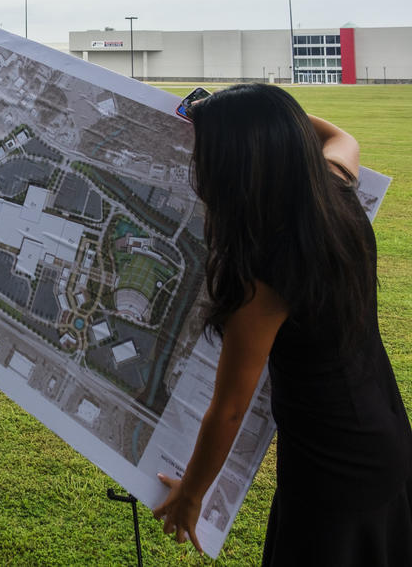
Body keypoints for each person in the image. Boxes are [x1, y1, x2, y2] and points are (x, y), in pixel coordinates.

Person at [151, 83, 412, 564]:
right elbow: (342, 137)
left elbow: (228, 409)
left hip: (331, 469)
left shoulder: (264, 278)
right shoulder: (337, 198)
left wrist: (191, 493)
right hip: (382, 435)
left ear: (233, 171)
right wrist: (249, 118)